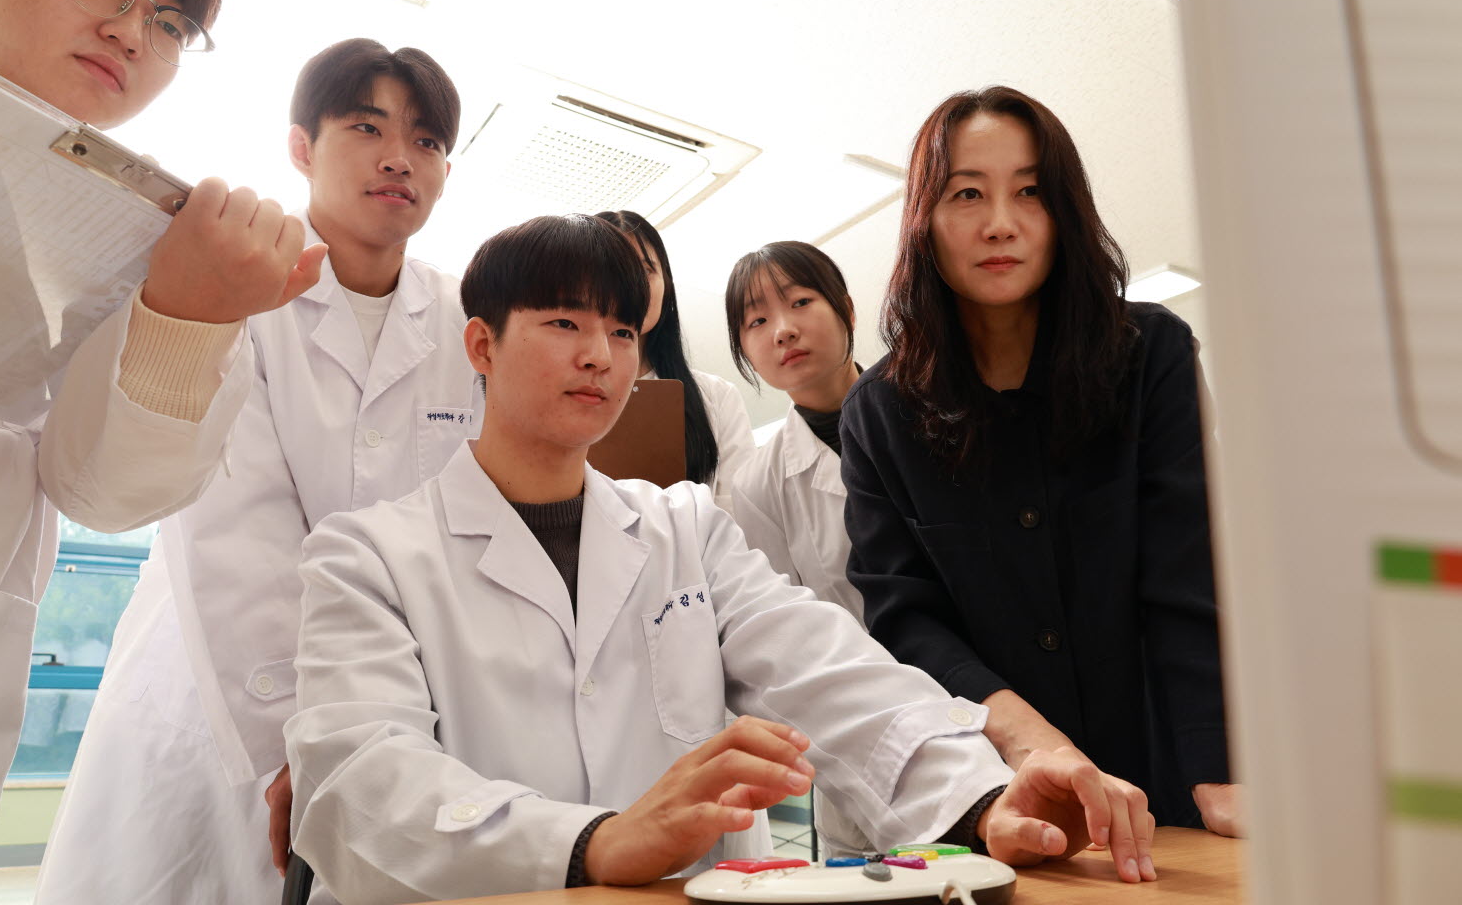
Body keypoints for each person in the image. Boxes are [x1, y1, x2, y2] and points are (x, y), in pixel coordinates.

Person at [285, 213, 1157, 905]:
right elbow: (357, 781)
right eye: (562, 322)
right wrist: (591, 842)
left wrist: (982, 796)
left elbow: (833, 674)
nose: (599, 355)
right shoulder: (367, 556)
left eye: (622, 330)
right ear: (481, 346)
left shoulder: (685, 527)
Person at [32, 39, 479, 904]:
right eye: (368, 127)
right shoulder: (237, 272)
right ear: (301, 147)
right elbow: (234, 531)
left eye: (426, 141)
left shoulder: (466, 318)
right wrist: (294, 738)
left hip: (397, 702)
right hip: (218, 686)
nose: (399, 158)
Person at [0, 0, 323, 896]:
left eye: (169, 22)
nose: (131, 31)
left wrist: (188, 314)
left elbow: (104, 492)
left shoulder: (150, 243)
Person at [841, 86, 1241, 840]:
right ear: (924, 220)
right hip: (1000, 789)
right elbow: (906, 618)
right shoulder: (880, 412)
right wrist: (1032, 744)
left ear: (1065, 211)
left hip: (1168, 771)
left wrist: (1214, 768)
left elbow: (1185, 575)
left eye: (1030, 191)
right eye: (967, 193)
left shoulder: (1149, 355)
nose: (1001, 222)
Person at [724, 241, 864, 620]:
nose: (783, 331)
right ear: (745, 352)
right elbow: (793, 622)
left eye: (800, 302)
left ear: (847, 310)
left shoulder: (930, 408)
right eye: (757, 321)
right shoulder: (756, 486)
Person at [594, 210, 753, 510]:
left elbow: (737, 514)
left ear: (665, 283)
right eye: (612, 271)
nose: (632, 285)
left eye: (644, 270)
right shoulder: (557, 392)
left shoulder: (717, 397)